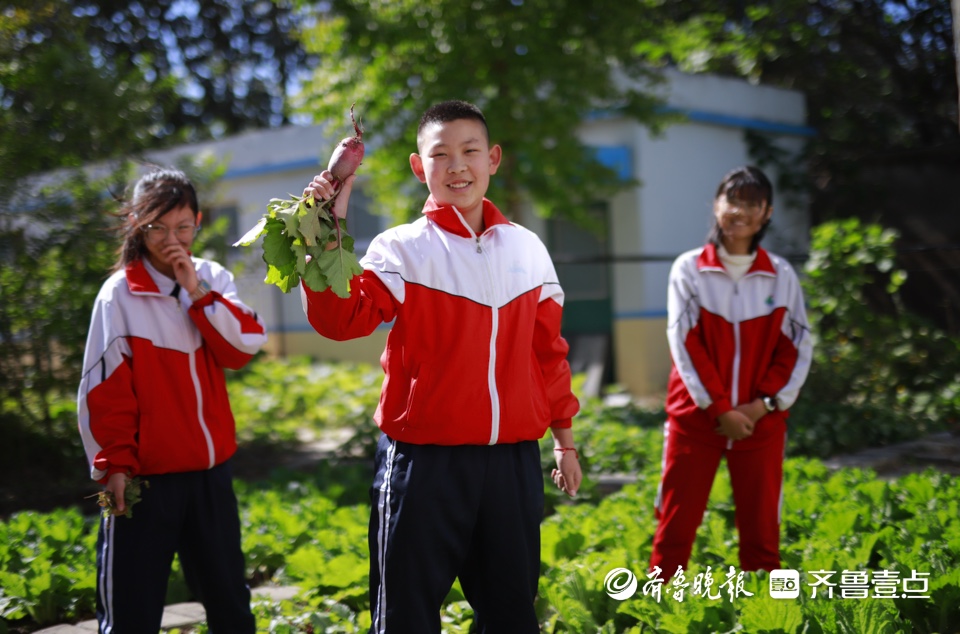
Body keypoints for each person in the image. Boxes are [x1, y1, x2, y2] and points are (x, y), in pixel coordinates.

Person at [300, 100, 582, 633]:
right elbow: (342, 321)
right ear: (418, 166)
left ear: (493, 158)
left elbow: (549, 355)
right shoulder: (402, 250)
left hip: (512, 464)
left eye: (470, 151)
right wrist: (321, 231)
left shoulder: (527, 249)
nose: (457, 166)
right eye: (441, 154)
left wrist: (564, 442)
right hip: (424, 465)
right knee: (406, 615)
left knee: (512, 614)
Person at [77, 167, 267, 633]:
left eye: (183, 227)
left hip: (210, 478)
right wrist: (113, 466)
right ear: (137, 226)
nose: (171, 239)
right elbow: (103, 392)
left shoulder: (211, 277)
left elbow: (243, 345)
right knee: (131, 609)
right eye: (157, 227)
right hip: (144, 481)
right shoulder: (118, 295)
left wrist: (195, 291)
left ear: (197, 222)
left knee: (229, 603)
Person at [650, 166, 812, 581]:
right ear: (716, 205)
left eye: (752, 203)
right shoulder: (689, 269)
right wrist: (720, 409)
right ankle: (660, 611)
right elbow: (685, 344)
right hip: (696, 420)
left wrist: (763, 405)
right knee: (675, 528)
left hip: (763, 423)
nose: (739, 210)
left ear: (767, 213)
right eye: (732, 200)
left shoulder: (781, 275)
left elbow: (795, 348)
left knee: (762, 535)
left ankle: (766, 618)